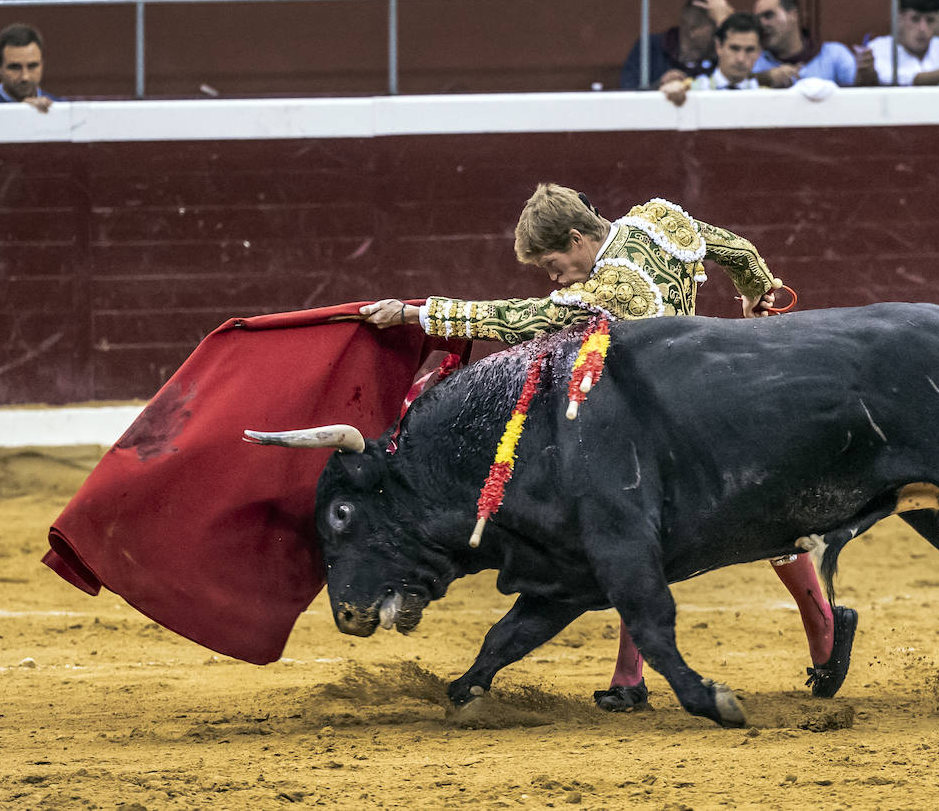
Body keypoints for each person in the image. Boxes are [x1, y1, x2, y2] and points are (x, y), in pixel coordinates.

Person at [360, 184, 858, 711]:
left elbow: (523, 318)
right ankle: (640, 674)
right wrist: (756, 293)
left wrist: (419, 314)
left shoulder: (612, 287)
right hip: (697, 404)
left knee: (638, 524)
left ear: (577, 239)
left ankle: (819, 628)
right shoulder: (658, 220)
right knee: (705, 520)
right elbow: (736, 250)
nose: (554, 279)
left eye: (553, 265)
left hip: (666, 421)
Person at [618, 0, 734, 90]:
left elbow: (742, 77)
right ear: (694, 29)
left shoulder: (723, 52)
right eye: (717, 28)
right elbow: (628, 92)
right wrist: (658, 86)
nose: (719, 35)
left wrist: (725, 20)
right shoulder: (651, 47)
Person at [750, 0, 860, 87]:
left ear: (793, 15)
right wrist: (763, 79)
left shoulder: (834, 55)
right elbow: (741, 85)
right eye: (758, 19)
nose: (762, 24)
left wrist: (866, 74)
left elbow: (861, 93)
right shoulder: (755, 61)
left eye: (768, 15)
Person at [659, 12, 764, 106]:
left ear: (759, 52)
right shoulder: (690, 90)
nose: (741, 59)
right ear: (718, 46)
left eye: (750, 50)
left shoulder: (765, 95)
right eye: (734, 48)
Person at [0, 23, 59, 113]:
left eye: (32, 66)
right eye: (15, 67)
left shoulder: (64, 112)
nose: (25, 77)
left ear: (42, 64)